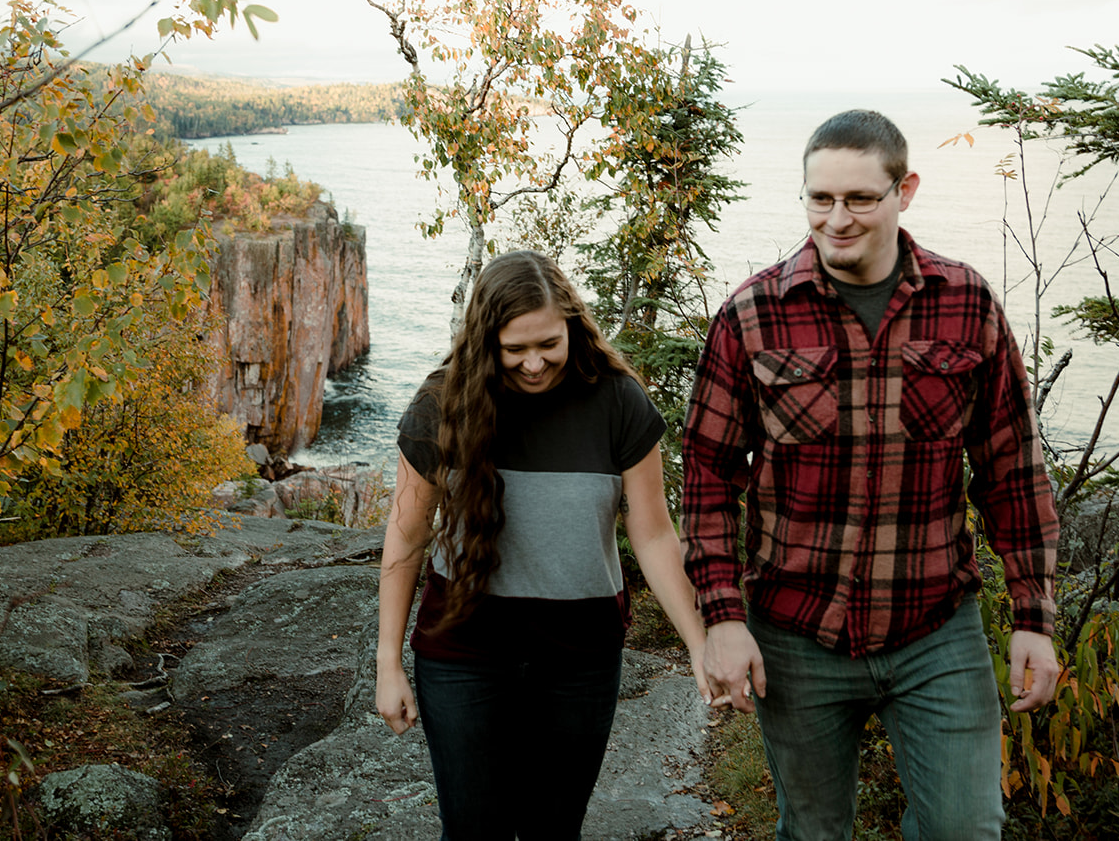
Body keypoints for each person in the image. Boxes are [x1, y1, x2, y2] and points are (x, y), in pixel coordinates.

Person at [681, 110, 1061, 841]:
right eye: (820, 198)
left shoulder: (967, 303)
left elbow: (1011, 468)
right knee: (815, 831)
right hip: (795, 631)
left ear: (905, 190)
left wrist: (1033, 618)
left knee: (965, 828)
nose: (838, 217)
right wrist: (723, 617)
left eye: (860, 197)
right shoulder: (751, 314)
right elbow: (706, 477)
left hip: (935, 627)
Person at [376, 249, 709, 841]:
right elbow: (405, 539)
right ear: (486, 341)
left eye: (548, 344)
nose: (534, 364)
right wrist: (387, 664)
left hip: (580, 660)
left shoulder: (618, 402)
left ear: (573, 326)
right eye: (515, 349)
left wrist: (700, 644)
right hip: (463, 657)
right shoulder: (440, 405)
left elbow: (654, 532)